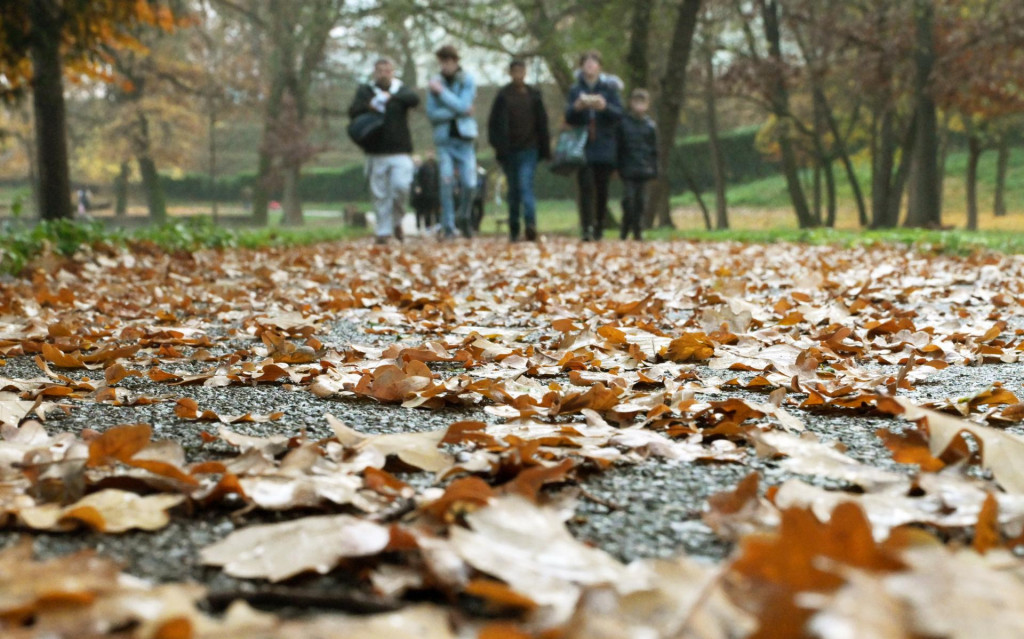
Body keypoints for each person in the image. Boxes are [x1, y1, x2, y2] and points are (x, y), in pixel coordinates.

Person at [347, 57, 420, 244]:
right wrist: (369, 106)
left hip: (400, 150)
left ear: (393, 72)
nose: (384, 74)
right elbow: (353, 111)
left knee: (401, 187)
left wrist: (391, 98)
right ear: (374, 72)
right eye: (380, 70)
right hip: (375, 151)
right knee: (380, 194)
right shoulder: (365, 92)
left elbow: (414, 100)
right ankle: (383, 230)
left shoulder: (400, 90)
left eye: (387, 70)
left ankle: (397, 220)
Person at [487, 58, 551, 242]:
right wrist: (499, 147)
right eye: (515, 71)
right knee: (513, 190)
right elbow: (494, 125)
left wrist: (545, 149)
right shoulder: (503, 96)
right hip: (509, 151)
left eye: (521, 71)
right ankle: (514, 228)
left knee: (525, 185)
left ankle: (531, 224)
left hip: (529, 149)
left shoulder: (534, 95)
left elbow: (542, 123)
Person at [565, 50, 623, 241]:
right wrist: (577, 107)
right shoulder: (575, 89)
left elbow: (618, 115)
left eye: (593, 62)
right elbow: (568, 117)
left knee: (602, 187)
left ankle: (599, 224)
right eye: (586, 62)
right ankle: (586, 226)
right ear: (581, 67)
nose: (590, 66)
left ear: (599, 66)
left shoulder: (609, 89)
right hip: (582, 144)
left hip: (604, 143)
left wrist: (604, 107)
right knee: (585, 186)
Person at [426, 45, 478, 239]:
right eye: (442, 62)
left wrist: (442, 94)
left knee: (469, 183)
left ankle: (464, 216)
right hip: (444, 141)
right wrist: (459, 110)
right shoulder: (434, 82)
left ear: (456, 62)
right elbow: (432, 114)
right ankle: (448, 226)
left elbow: (465, 104)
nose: (445, 66)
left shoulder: (467, 80)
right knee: (446, 182)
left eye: (448, 61)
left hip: (465, 140)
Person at [617, 88, 658, 240]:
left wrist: (654, 170)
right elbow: (619, 147)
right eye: (636, 102)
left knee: (640, 202)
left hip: (643, 169)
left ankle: (636, 230)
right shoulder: (623, 124)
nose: (639, 106)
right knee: (629, 200)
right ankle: (626, 228)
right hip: (627, 168)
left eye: (642, 103)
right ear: (631, 104)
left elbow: (654, 150)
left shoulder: (650, 126)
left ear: (647, 105)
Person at [412, 152, 440, 232]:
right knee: (425, 211)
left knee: (436, 210)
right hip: (425, 194)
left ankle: (436, 226)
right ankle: (427, 227)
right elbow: (419, 179)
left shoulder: (436, 166)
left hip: (434, 193)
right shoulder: (423, 167)